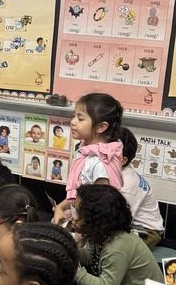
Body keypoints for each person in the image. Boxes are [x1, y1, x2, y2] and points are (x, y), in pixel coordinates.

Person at [71, 185, 162, 285]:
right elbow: (89, 258)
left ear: (97, 219)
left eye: (79, 213)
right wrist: (73, 247)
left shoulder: (117, 247)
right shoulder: (100, 233)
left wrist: (76, 272)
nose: (74, 217)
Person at [52, 92, 124, 225]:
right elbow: (79, 195)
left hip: (92, 228)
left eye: (80, 118)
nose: (73, 122)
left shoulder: (100, 163)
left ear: (101, 127)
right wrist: (60, 208)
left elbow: (100, 208)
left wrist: (80, 226)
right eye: (74, 116)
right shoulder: (86, 152)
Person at [118, 127, 165, 247]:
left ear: (123, 160)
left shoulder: (127, 184)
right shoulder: (117, 173)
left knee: (116, 247)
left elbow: (120, 222)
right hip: (132, 224)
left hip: (147, 231)